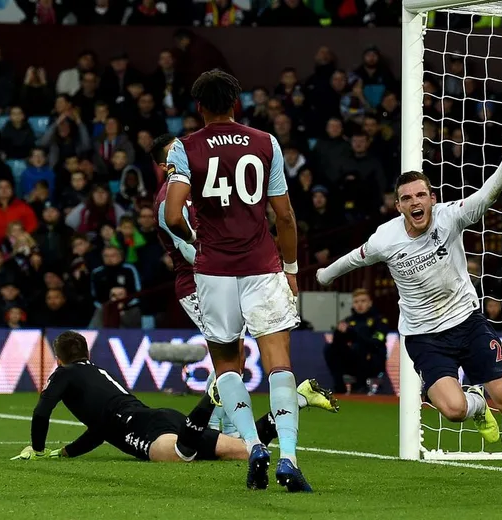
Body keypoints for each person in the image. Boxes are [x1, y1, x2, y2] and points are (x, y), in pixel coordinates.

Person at [317, 128, 502, 488]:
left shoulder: (450, 217)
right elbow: (354, 258)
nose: (415, 202)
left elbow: (485, 197)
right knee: (454, 410)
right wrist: (323, 276)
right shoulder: (386, 238)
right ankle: (476, 404)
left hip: (468, 323)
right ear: (398, 206)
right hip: (425, 337)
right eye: (406, 198)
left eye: (420, 195)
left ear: (432, 198)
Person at [164, 70, 309, 491]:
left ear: (199, 107)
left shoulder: (185, 147)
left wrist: (198, 239)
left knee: (228, 366)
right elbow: (284, 216)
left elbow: (172, 215)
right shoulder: (266, 143)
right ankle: (289, 457)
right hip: (262, 266)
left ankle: (252, 446)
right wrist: (291, 269)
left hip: (214, 271)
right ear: (235, 103)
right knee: (279, 362)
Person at [150, 133, 337, 432]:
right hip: (197, 284)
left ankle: (221, 427)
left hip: (223, 274)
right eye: (175, 151)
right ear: (164, 165)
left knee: (234, 354)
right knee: (230, 353)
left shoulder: (200, 186)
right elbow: (187, 249)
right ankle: (220, 428)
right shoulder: (167, 202)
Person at [11, 330, 275, 462]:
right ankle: (281, 413)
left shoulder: (63, 373)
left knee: (178, 456)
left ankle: (207, 401)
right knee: (244, 450)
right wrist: (66, 452)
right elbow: (100, 430)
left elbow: (42, 411)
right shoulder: (100, 373)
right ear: (87, 354)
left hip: (138, 428)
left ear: (58, 359)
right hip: (161, 416)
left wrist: (38, 450)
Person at [324, 288, 390, 394]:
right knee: (330, 349)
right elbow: (338, 344)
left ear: (370, 303)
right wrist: (338, 332)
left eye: (363, 301)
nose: (359, 304)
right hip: (352, 361)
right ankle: (340, 388)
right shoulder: (348, 321)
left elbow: (376, 343)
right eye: (356, 301)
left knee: (360, 347)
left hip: (372, 361)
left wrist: (352, 333)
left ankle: (361, 386)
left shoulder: (380, 321)